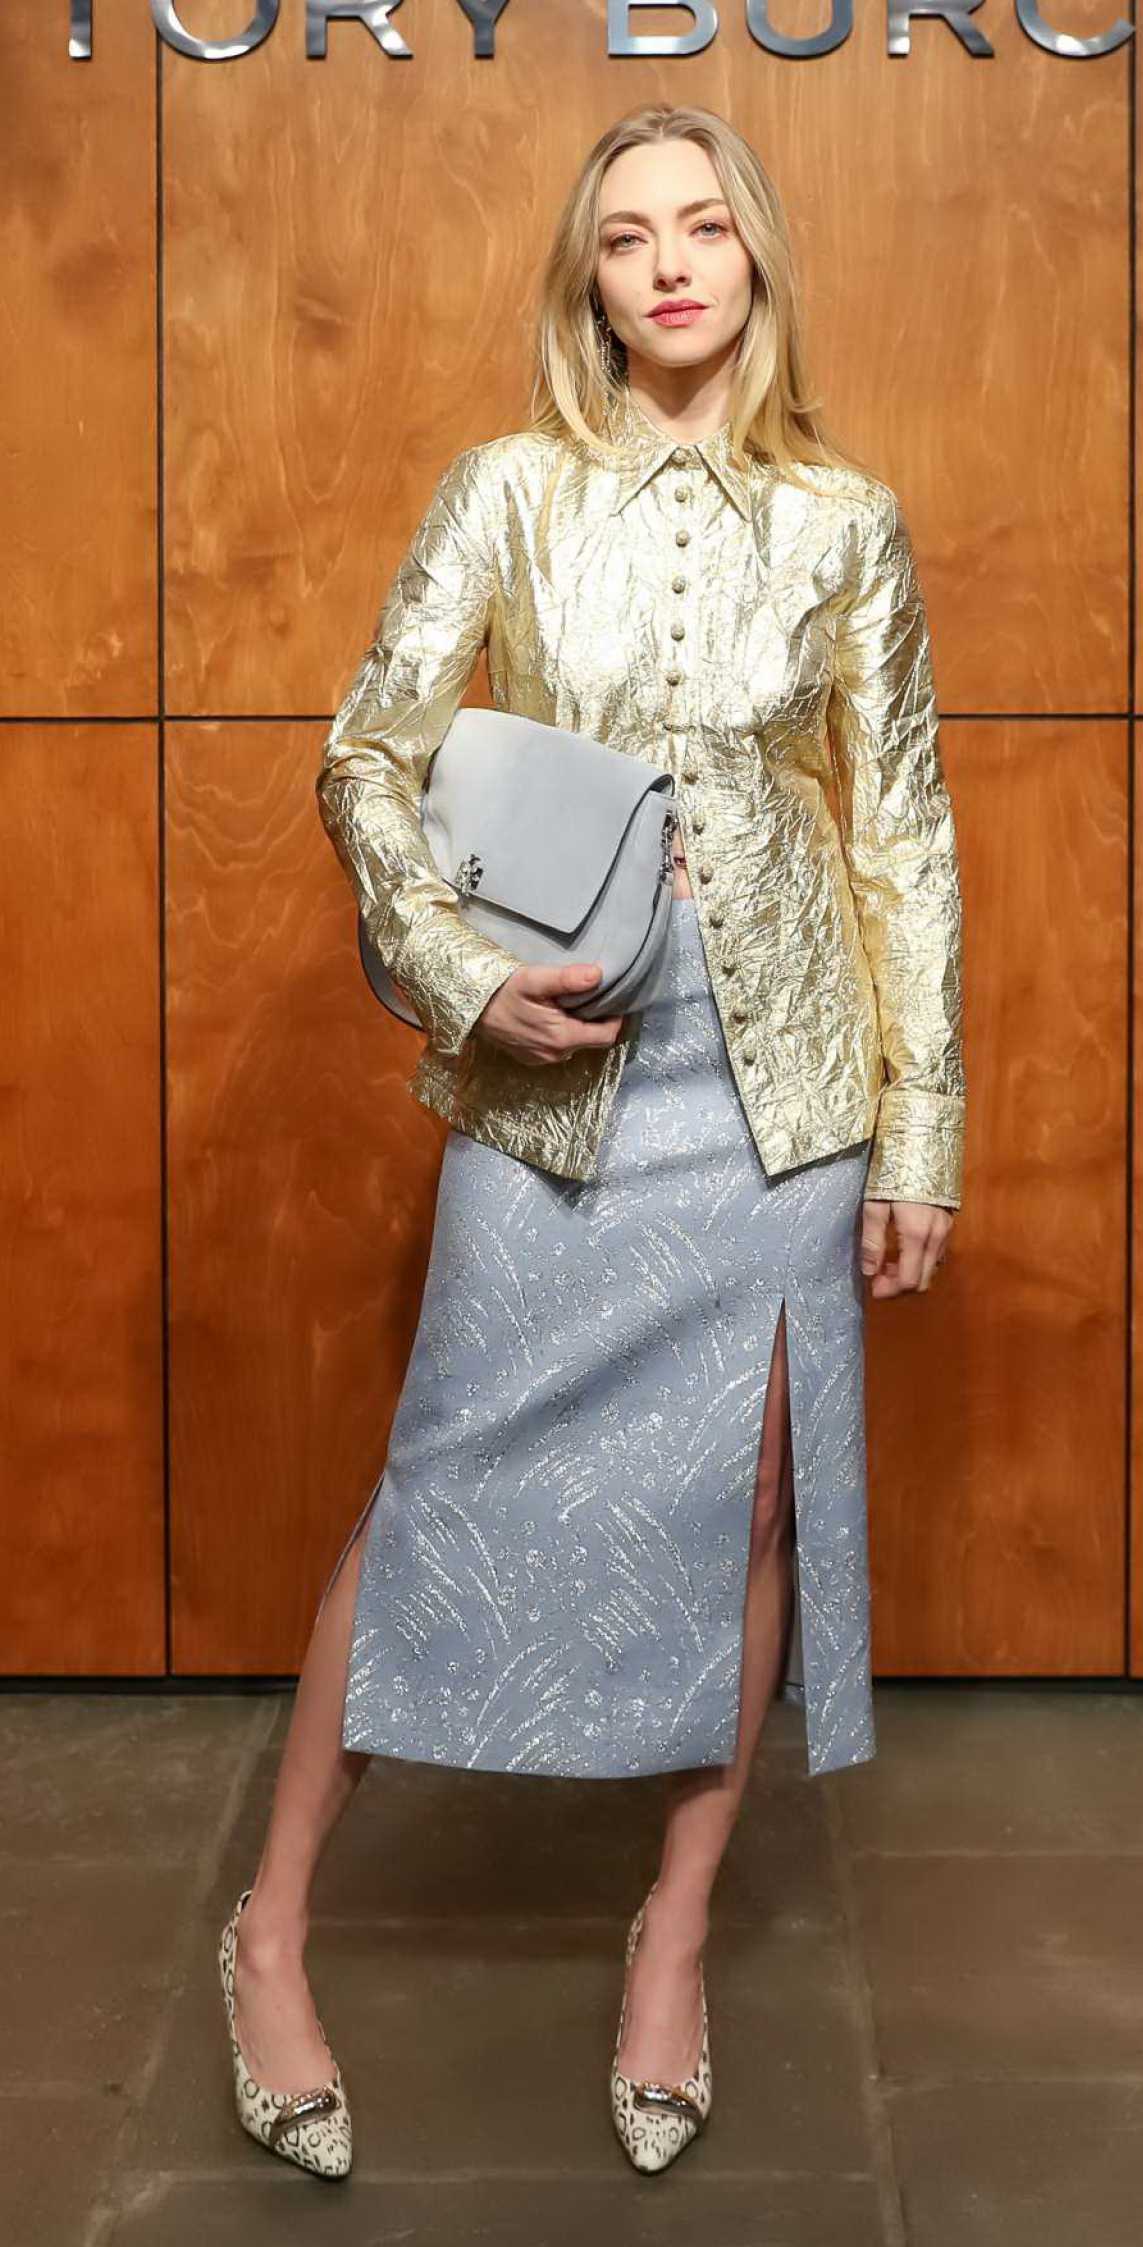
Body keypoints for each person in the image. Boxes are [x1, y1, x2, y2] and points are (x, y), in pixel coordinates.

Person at [217, 101, 965, 2183]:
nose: (668, 265)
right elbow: (365, 751)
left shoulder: (845, 520)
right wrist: (459, 974)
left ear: (754, 255)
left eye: (701, 227)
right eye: (627, 238)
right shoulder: (506, 489)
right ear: (588, 283)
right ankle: (266, 1927)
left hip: (783, 1090)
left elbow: (901, 834)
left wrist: (919, 1130)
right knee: (431, 1481)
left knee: (747, 1500)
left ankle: (675, 1936)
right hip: (559, 1077)